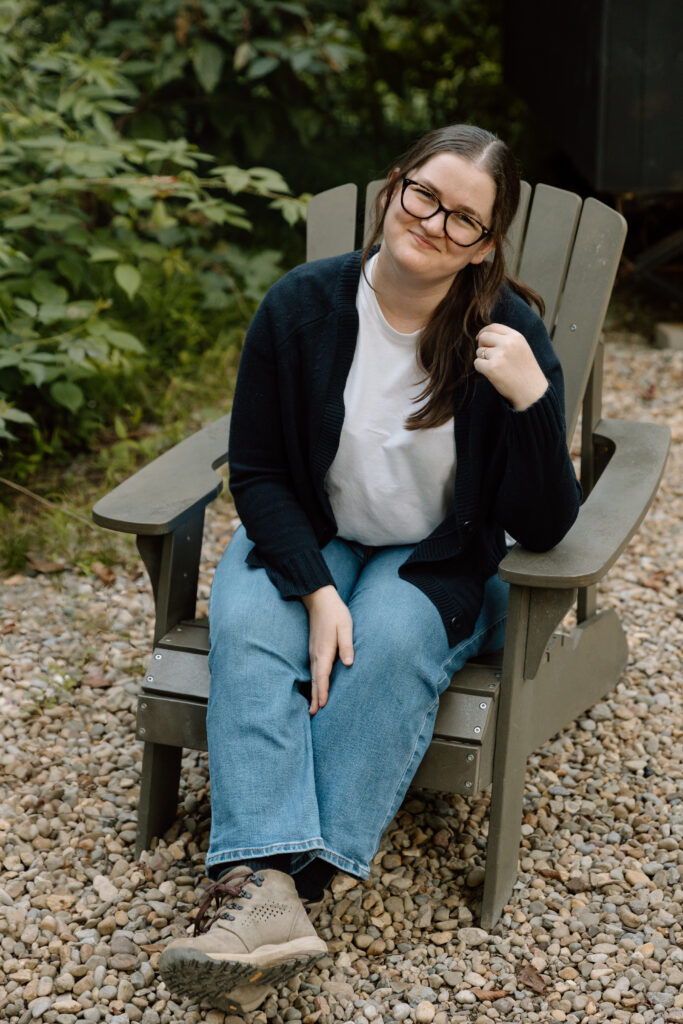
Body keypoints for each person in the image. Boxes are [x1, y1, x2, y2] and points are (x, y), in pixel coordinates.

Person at [158, 124, 581, 1013]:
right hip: (314, 529)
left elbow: (545, 525)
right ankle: (277, 905)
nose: (435, 223)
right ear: (394, 188)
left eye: (465, 219)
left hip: (435, 552)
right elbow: (262, 471)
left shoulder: (508, 335)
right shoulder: (301, 305)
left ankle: (267, 889)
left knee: (386, 644)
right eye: (426, 195)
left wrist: (531, 399)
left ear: (486, 245)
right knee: (248, 629)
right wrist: (315, 590)